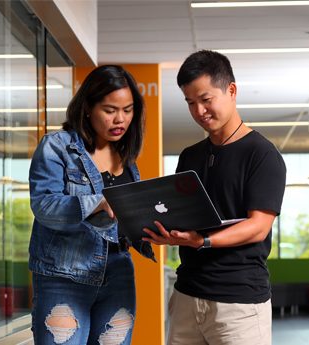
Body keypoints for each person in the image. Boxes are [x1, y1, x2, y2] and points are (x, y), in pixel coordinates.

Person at [143, 50, 286, 345]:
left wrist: (202, 241)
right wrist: (167, 232)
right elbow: (181, 214)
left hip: (239, 304)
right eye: (190, 103)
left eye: (206, 100)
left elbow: (258, 226)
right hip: (186, 296)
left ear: (231, 90)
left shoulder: (262, 155)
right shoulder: (190, 156)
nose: (199, 111)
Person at [28, 65, 154, 345]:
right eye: (110, 110)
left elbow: (123, 220)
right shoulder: (56, 146)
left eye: (128, 110)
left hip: (119, 272)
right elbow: (44, 206)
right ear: (87, 107)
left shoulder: (127, 160)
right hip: (64, 274)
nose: (120, 119)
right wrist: (97, 202)